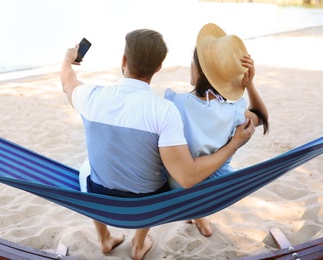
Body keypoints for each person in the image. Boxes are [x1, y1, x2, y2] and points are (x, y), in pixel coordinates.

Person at [60, 29, 254, 260]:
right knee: (154, 163)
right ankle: (138, 244)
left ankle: (104, 239)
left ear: (123, 60)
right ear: (159, 67)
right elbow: (187, 176)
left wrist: (68, 60)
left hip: (100, 198)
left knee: (90, 164)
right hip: (148, 206)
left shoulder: (91, 96)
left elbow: (66, 80)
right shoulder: (163, 110)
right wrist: (233, 145)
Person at [165, 23, 269, 237]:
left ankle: (196, 214)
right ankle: (200, 214)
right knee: (209, 171)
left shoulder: (176, 103)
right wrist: (249, 84)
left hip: (175, 185)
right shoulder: (234, 113)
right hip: (211, 189)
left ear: (197, 69)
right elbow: (261, 117)